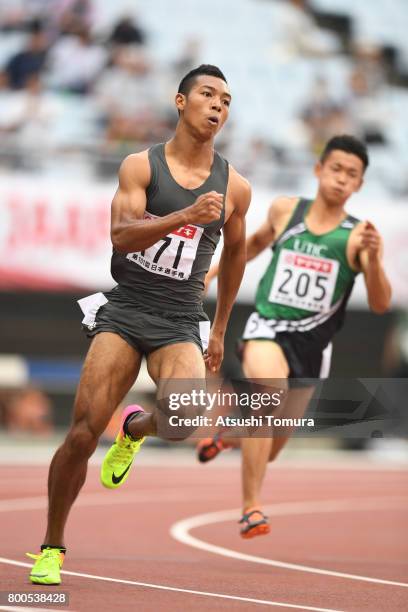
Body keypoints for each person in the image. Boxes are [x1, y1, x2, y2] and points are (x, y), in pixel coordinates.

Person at [28, 64, 251, 585]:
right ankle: (52, 547)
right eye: (207, 94)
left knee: (184, 419)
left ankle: (134, 430)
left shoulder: (236, 186)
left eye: (226, 99)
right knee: (82, 434)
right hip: (128, 309)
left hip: (179, 317)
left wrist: (218, 329)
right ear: (180, 101)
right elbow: (121, 237)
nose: (218, 105)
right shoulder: (140, 166)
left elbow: (236, 257)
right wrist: (184, 215)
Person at [197, 134, 391, 538]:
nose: (341, 179)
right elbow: (251, 245)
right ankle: (251, 507)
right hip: (268, 326)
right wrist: (214, 272)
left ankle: (230, 434)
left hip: (313, 346)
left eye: (351, 174)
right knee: (267, 397)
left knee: (273, 445)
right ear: (319, 170)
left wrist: (373, 262)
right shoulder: (285, 210)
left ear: (359, 185)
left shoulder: (360, 237)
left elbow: (379, 303)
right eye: (335, 169)